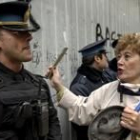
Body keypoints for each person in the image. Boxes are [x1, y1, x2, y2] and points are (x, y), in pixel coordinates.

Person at [47, 33, 140, 140]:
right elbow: (81, 109)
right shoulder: (108, 89)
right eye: (119, 56)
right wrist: (58, 86)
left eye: (127, 57)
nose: (119, 61)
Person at [0, 1, 62, 140]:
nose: (29, 37)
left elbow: (53, 125)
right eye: (18, 32)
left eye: (27, 31)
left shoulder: (38, 83)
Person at [70, 39, 110, 140]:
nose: (107, 58)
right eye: (105, 55)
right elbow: (80, 123)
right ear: (97, 58)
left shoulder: (103, 77)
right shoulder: (79, 87)